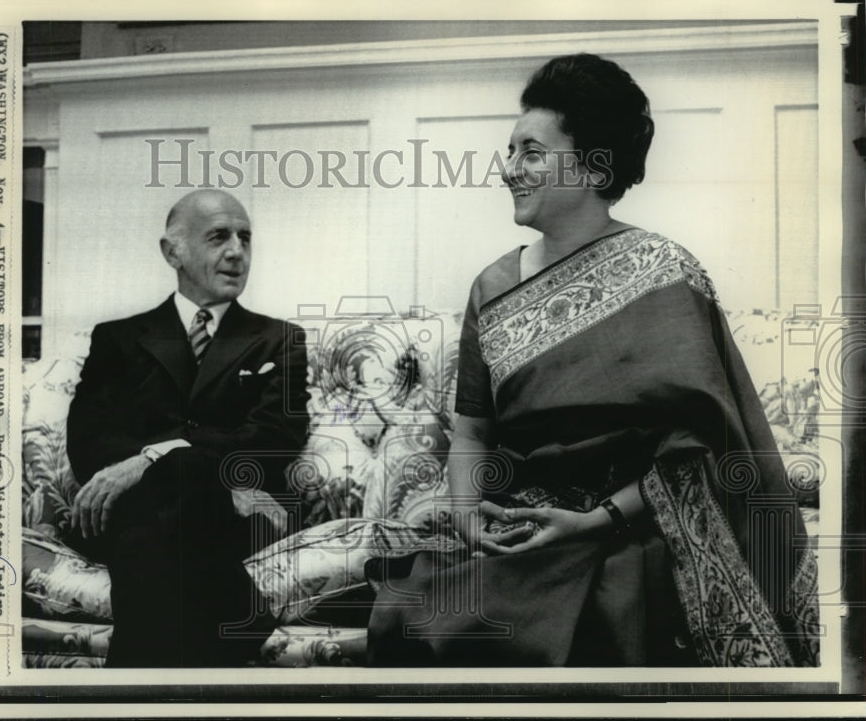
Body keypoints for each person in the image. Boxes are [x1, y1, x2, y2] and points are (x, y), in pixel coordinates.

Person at [367, 54, 819, 667]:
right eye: (510, 151)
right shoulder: (491, 286)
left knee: (576, 616)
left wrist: (594, 521)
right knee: (428, 594)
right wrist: (469, 512)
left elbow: (700, 448)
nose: (509, 171)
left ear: (590, 165)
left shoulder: (663, 272)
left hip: (631, 526)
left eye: (530, 152)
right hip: (518, 523)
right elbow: (473, 429)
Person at [66, 189, 309, 667]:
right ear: (172, 251)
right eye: (219, 237)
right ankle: (237, 624)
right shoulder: (117, 339)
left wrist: (153, 457)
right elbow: (90, 438)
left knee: (182, 492)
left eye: (245, 238)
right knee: (173, 499)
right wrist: (181, 464)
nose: (237, 251)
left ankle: (129, 691)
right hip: (139, 511)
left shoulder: (279, 340)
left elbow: (274, 436)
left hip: (237, 515)